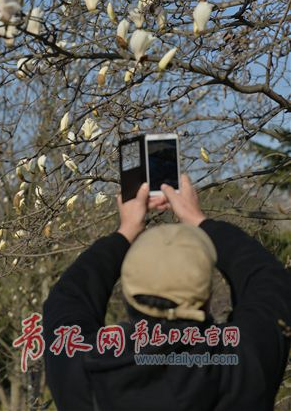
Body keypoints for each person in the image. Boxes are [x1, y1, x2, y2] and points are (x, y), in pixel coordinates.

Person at [42, 174, 291, 411]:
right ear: (205, 296)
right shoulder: (243, 364)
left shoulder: (88, 373)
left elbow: (67, 299)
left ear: (128, 296)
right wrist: (197, 220)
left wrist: (126, 231)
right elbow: (268, 280)